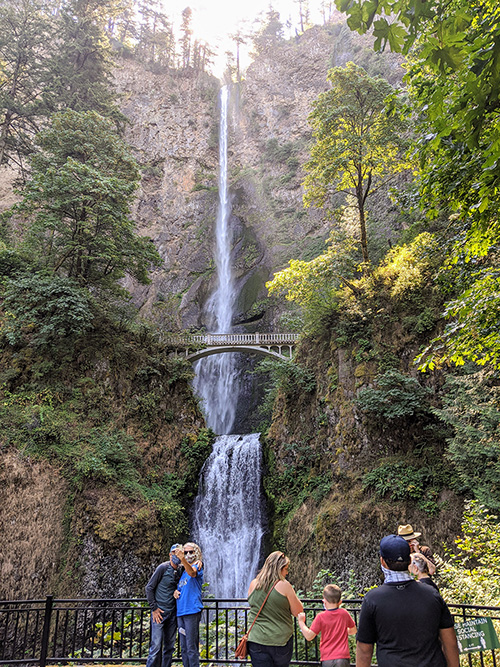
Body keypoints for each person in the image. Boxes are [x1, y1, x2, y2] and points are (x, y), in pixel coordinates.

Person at [356, 534, 459, 667]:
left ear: (382, 561)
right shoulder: (431, 594)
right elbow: (450, 642)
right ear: (410, 561)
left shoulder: (373, 599)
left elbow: (364, 649)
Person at [247, 551, 304, 667]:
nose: (287, 573)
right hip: (280, 641)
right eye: (286, 569)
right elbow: (298, 611)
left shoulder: (254, 584)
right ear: (279, 569)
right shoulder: (284, 585)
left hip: (256, 640)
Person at [297, 584, 356, 667]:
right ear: (340, 602)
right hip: (343, 657)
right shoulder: (344, 613)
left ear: (324, 601)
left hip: (327, 658)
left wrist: (301, 622)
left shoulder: (321, 617)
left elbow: (309, 636)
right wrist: (342, 631)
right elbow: (353, 630)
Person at [145, 543, 183, 667]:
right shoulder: (163, 568)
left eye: (178, 553)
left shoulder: (182, 570)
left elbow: (193, 570)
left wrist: (200, 563)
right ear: (170, 555)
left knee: (169, 647)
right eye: (174, 553)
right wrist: (154, 608)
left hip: (173, 614)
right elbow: (149, 588)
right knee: (155, 647)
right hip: (159, 614)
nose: (176, 556)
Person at [173, 542, 204, 667]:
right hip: (181, 612)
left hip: (192, 611)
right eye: (185, 552)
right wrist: (176, 591)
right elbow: (181, 587)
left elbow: (192, 573)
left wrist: (182, 559)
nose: (188, 554)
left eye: (191, 552)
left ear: (196, 553)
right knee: (184, 647)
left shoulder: (197, 566)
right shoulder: (182, 573)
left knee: (191, 647)